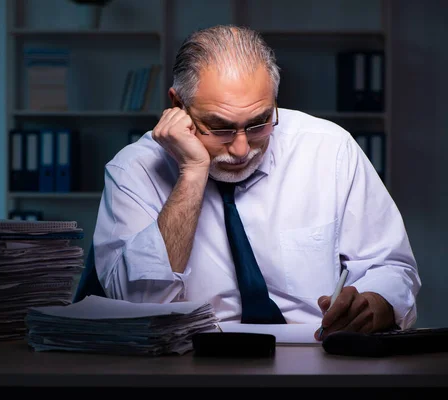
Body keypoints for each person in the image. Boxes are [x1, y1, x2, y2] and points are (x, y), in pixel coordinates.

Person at [91, 24, 421, 340]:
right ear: (178, 106)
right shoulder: (132, 170)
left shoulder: (331, 149)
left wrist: (373, 304)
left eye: (259, 123)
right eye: (219, 127)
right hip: (190, 361)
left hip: (315, 357)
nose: (241, 149)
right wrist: (192, 173)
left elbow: (391, 267)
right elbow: (139, 306)